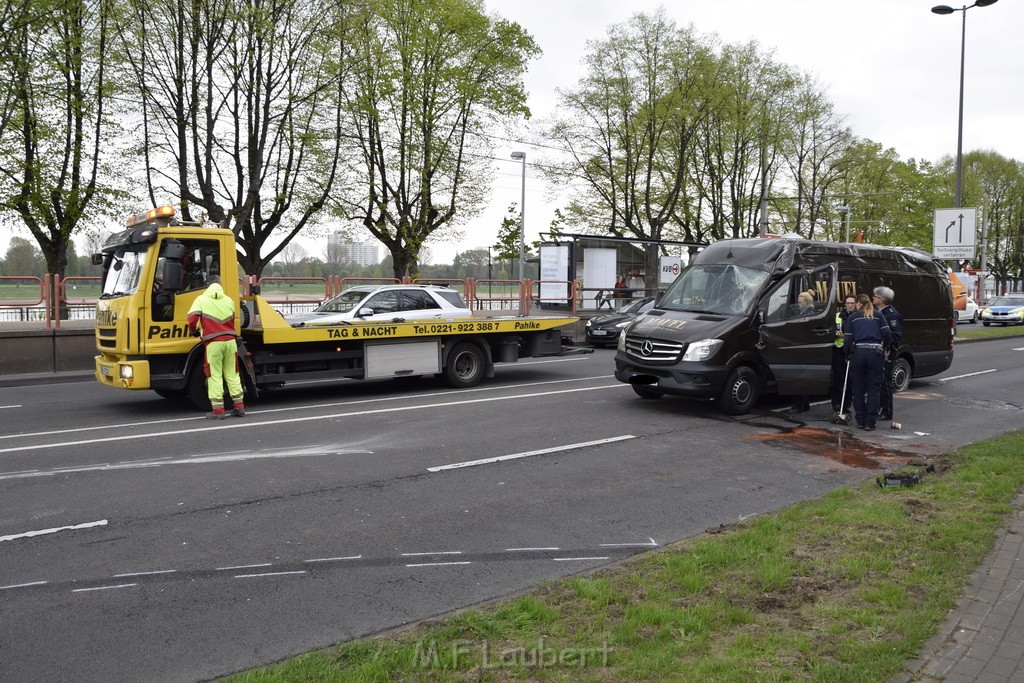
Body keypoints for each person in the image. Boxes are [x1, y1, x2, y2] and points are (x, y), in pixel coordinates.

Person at [187, 275, 245, 419]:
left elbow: (192, 319)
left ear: (208, 285)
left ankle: (218, 411)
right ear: (220, 285)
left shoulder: (201, 299)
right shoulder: (229, 300)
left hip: (214, 343)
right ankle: (239, 407)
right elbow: (232, 318)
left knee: (214, 375)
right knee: (233, 374)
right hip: (231, 342)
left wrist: (193, 331)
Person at [843, 293, 892, 430]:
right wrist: (887, 346)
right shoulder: (878, 315)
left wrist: (847, 355)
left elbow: (847, 339)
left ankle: (860, 420)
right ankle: (870, 422)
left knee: (858, 389)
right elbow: (887, 333)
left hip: (858, 353)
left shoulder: (853, 317)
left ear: (858, 304)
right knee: (873, 389)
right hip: (875, 354)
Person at [872, 286, 904, 422]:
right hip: (877, 353)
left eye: (875, 296)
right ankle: (880, 408)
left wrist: (885, 343)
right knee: (879, 382)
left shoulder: (890, 314)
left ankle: (886, 411)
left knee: (885, 383)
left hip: (887, 353)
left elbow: (896, 336)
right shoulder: (877, 312)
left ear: (881, 300)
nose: (873, 298)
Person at [830, 295, 857, 416]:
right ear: (844, 304)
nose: (850, 305)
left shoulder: (858, 317)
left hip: (853, 351)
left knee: (850, 379)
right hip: (839, 349)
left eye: (852, 303)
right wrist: (834, 334)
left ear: (856, 304)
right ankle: (836, 403)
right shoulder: (837, 316)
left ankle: (846, 405)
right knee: (839, 378)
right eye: (848, 303)